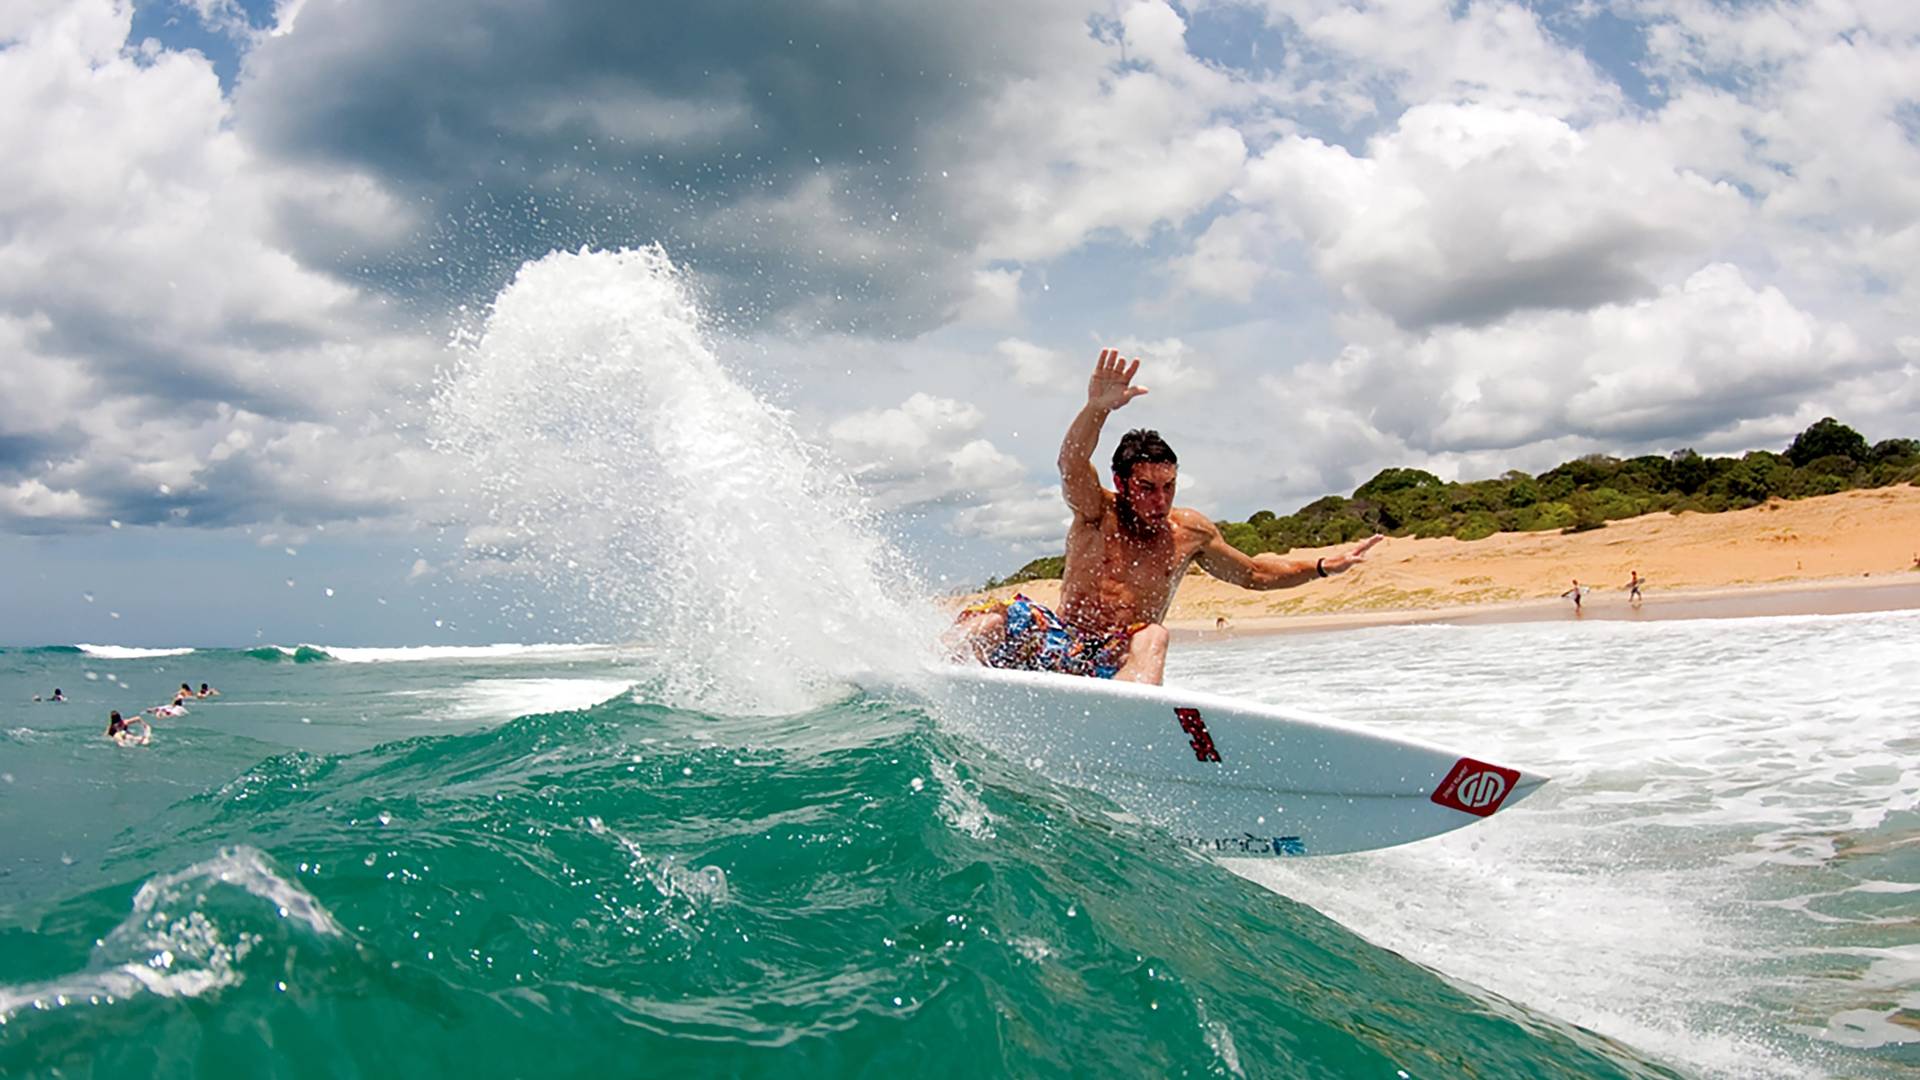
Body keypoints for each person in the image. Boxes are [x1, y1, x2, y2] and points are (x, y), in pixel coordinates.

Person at [951, 349, 1382, 685]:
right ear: (1122, 483)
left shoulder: (1188, 532)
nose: (1160, 500)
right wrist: (1096, 408)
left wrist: (1323, 567)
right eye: (1147, 488)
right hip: (1061, 642)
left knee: (1153, 635)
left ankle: (1129, 722)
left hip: (1114, 661)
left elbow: (1254, 574)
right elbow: (1071, 462)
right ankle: (930, 678)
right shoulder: (1096, 510)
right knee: (994, 618)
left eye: (1168, 487)